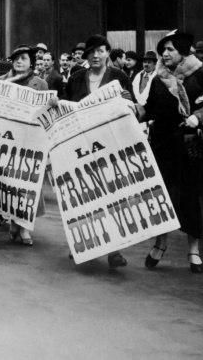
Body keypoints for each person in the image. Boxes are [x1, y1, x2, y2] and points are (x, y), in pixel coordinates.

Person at [140, 31, 203, 274]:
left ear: (183, 52)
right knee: (164, 197)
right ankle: (160, 244)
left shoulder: (201, 74)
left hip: (193, 147)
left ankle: (193, 250)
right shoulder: (159, 79)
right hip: (164, 147)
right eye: (163, 50)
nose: (164, 54)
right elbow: (150, 110)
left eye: (170, 50)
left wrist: (199, 117)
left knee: (193, 199)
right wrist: (132, 111)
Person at [65, 34, 133, 268]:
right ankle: (83, 243)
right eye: (91, 52)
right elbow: (65, 110)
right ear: (86, 55)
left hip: (110, 145)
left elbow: (132, 108)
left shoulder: (119, 76)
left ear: (107, 53)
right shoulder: (75, 79)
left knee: (111, 195)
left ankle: (114, 249)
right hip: (81, 146)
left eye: (100, 51)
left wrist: (129, 102)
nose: (96, 55)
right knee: (84, 196)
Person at [0, 46, 49, 245]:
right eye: (16, 58)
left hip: (32, 140)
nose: (19, 62)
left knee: (30, 184)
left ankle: (25, 227)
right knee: (11, 182)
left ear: (31, 62)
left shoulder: (40, 83)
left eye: (24, 58)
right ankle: (13, 221)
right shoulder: (1, 82)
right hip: (9, 139)